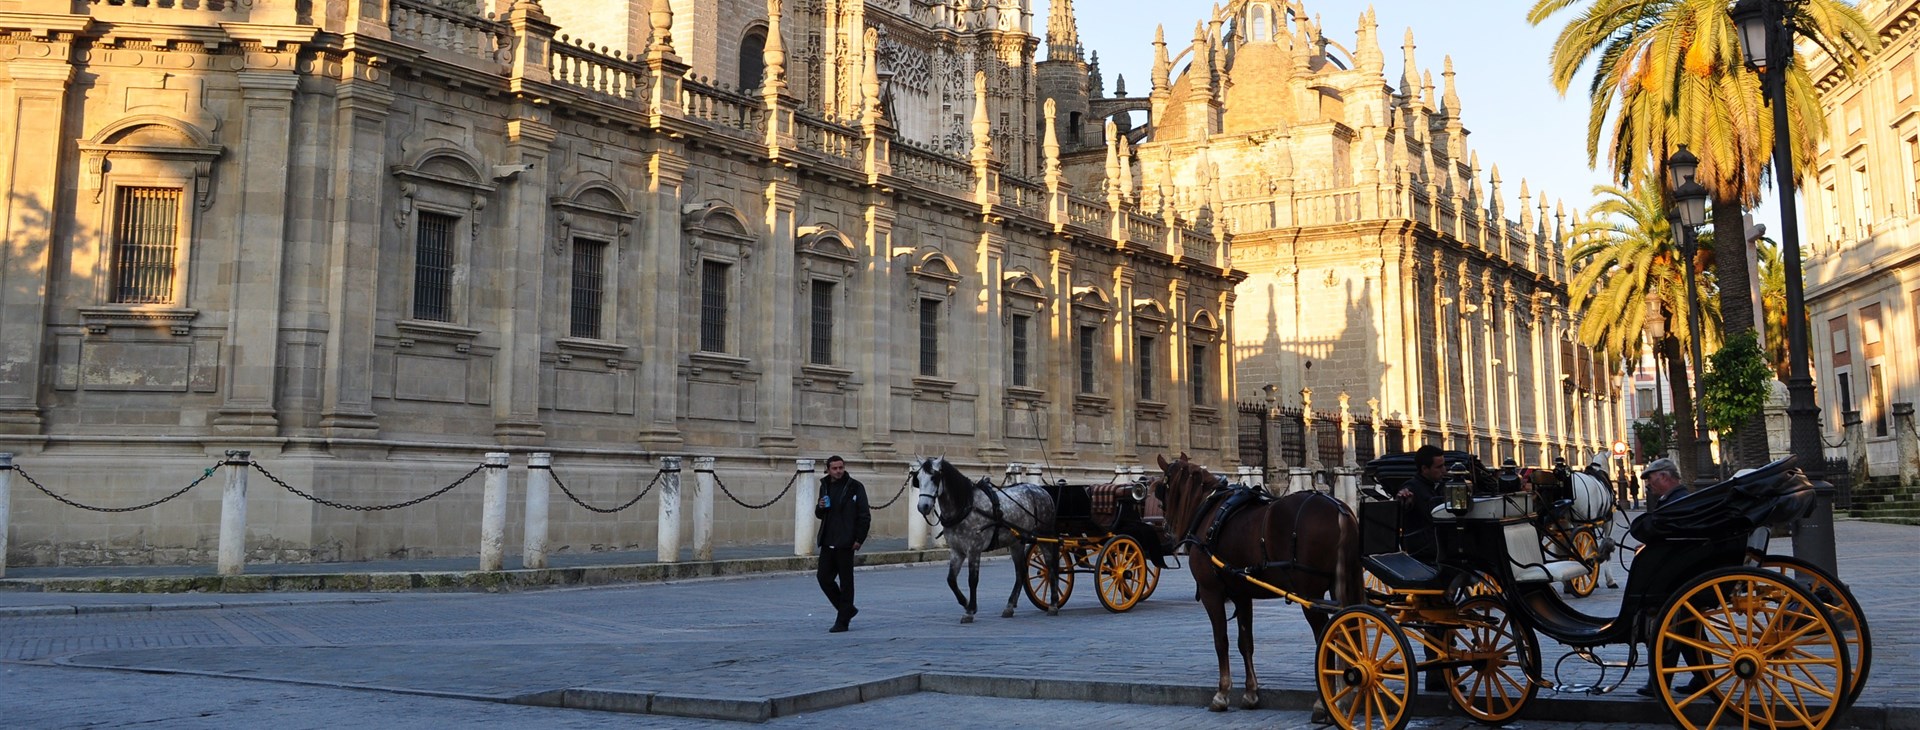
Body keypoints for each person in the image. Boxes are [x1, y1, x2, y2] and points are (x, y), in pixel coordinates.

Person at [1635, 457, 1706, 698]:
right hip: (1689, 574)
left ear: (1664, 477)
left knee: (1667, 626)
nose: (1648, 485)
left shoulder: (1674, 502)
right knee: (1688, 627)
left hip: (1675, 578)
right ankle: (1704, 676)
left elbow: (1661, 531)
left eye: (1651, 480)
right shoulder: (1680, 498)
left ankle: (1659, 681)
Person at [815, 455, 871, 633]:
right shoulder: (824, 486)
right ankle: (847, 609)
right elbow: (819, 514)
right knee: (823, 578)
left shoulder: (855, 487)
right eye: (835, 468)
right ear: (828, 469)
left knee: (846, 582)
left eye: (841, 468)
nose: (838, 471)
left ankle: (842, 621)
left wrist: (859, 539)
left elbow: (864, 515)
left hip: (846, 541)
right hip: (828, 540)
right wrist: (820, 506)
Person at [1396, 445, 1447, 563]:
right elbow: (1404, 502)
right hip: (1424, 552)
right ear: (1424, 469)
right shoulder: (1412, 487)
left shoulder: (1442, 485)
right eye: (1439, 467)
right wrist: (1405, 500)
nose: (1444, 470)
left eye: (1444, 465)